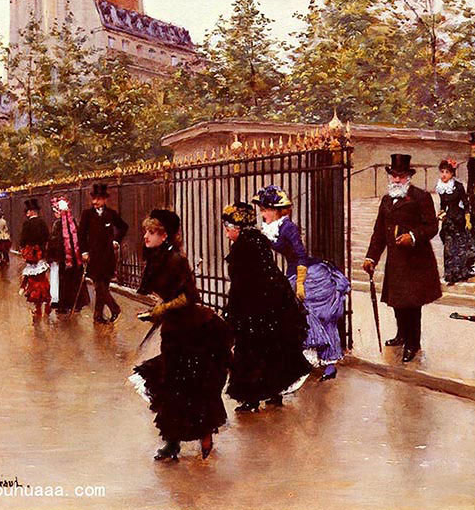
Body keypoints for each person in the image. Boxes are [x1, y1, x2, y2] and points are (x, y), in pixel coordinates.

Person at [129, 209, 232, 461]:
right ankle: (172, 442)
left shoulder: (175, 259)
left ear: (165, 236)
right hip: (173, 330)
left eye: (152, 232)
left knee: (190, 385)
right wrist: (157, 309)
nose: (146, 236)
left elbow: (188, 297)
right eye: (146, 231)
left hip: (191, 331)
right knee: (171, 386)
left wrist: (160, 309)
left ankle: (204, 433)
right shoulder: (156, 257)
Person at [252, 185, 350, 381]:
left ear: (276, 210)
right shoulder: (274, 228)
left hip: (309, 274)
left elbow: (301, 256)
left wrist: (300, 284)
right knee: (304, 318)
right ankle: (308, 360)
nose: (263, 214)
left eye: (265, 210)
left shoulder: (288, 227)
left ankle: (329, 364)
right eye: (262, 210)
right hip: (294, 272)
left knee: (318, 318)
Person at [222, 202, 312, 412]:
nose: (227, 235)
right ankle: (273, 393)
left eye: (227, 230)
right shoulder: (256, 241)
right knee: (270, 350)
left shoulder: (245, 246)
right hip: (270, 304)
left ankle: (251, 399)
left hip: (254, 307)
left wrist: (232, 310)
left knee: (251, 352)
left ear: (237, 228)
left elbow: (242, 283)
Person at [363, 154, 442, 363]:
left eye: (401, 176)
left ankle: (413, 343)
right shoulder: (387, 200)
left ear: (409, 177)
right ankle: (401, 334)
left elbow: (432, 227)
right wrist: (371, 257)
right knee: (398, 302)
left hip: (416, 261)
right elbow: (379, 231)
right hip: (396, 261)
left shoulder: (421, 197)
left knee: (412, 304)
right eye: (394, 176)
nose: (397, 180)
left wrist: (413, 236)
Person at [78, 183, 128, 324]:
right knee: (99, 285)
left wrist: (116, 241)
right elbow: (81, 235)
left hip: (107, 257)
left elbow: (124, 227)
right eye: (94, 198)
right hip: (93, 256)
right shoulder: (87, 214)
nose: (95, 202)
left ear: (105, 199)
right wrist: (84, 251)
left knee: (104, 286)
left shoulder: (111, 214)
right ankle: (115, 308)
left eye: (98, 199)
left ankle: (98, 315)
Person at [435, 159, 475, 285]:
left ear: (452, 174)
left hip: (459, 219)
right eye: (442, 172)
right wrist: (441, 213)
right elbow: (443, 204)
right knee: (449, 248)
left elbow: (466, 204)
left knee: (460, 246)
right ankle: (450, 274)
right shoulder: (441, 186)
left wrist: (467, 218)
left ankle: (460, 273)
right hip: (448, 220)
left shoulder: (458, 186)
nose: (444, 175)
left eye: (447, 172)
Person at [47, 196, 89, 314]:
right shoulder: (72, 223)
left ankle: (64, 304)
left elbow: (55, 242)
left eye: (56, 212)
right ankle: (73, 304)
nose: (55, 214)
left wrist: (51, 255)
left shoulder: (59, 225)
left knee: (65, 282)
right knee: (72, 282)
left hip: (64, 259)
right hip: (73, 259)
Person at [19, 198, 51, 317]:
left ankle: (38, 309)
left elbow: (23, 240)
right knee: (43, 280)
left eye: (28, 211)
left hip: (31, 255)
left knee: (33, 281)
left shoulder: (27, 224)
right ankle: (47, 303)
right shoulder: (42, 222)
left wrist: (23, 249)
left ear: (32, 211)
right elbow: (47, 237)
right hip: (41, 255)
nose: (26, 213)